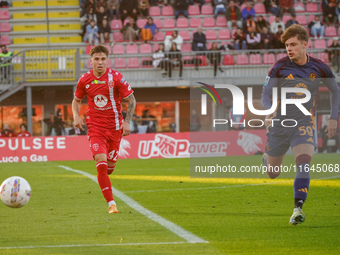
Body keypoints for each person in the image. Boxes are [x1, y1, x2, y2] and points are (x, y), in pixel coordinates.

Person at [261, 24, 339, 225]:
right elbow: (266, 94)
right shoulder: (279, 67)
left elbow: (335, 90)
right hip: (280, 124)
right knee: (272, 173)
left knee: (303, 162)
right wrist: (269, 112)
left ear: (305, 44)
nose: (289, 48)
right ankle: (266, 158)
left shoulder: (320, 67)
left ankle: (297, 209)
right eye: (287, 45)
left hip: (304, 122)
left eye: (293, 44)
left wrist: (333, 118)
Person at [72, 45, 136, 214]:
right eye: (96, 59)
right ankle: (111, 204)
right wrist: (76, 116)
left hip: (115, 129)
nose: (100, 62)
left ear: (107, 60)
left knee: (109, 169)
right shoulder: (84, 80)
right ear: (91, 60)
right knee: (101, 166)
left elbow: (132, 100)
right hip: (95, 128)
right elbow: (76, 100)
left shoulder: (116, 78)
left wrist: (127, 122)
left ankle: (107, 182)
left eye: (103, 59)